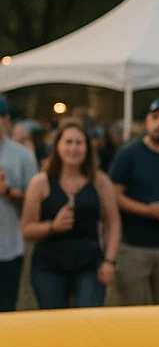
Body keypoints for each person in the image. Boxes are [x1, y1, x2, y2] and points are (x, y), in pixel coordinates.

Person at [20, 120, 120, 308]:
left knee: (88, 322)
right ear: (57, 146)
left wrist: (109, 260)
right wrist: (52, 226)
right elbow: (27, 229)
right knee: (54, 324)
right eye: (68, 142)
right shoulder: (40, 183)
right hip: (49, 266)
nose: (73, 148)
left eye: (79, 143)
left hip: (89, 265)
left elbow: (112, 223)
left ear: (87, 148)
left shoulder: (100, 181)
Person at [108, 98, 159, 305]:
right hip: (133, 246)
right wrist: (147, 211)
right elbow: (113, 196)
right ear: (147, 121)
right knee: (133, 313)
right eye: (154, 117)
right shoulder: (128, 155)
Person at [0, 95, 39, 310]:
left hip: (9, 247)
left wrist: (8, 191)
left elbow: (35, 203)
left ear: (5, 119)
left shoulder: (22, 156)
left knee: (6, 309)